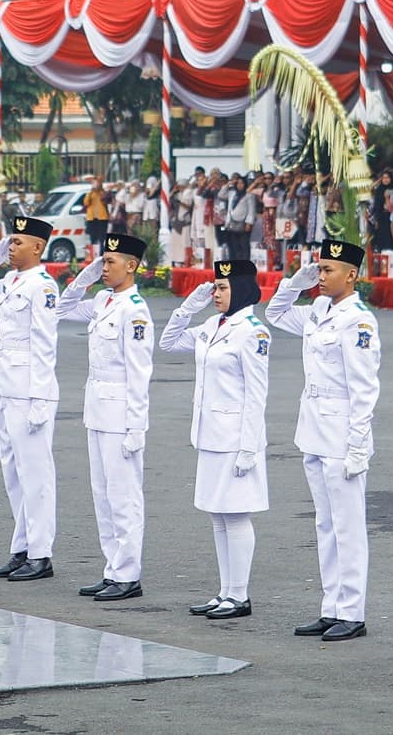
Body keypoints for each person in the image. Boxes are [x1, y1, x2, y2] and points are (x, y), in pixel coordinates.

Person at [267, 238, 380, 642]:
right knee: (325, 524)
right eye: (319, 267)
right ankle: (331, 606)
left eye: (328, 269)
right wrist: (297, 281)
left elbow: (365, 388)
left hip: (341, 430)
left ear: (351, 275)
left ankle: (352, 611)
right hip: (313, 428)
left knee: (348, 526)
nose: (321, 275)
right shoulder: (317, 308)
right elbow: (275, 313)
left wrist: (357, 444)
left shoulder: (358, 321)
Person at [161, 259, 271, 622]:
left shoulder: (253, 332)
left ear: (240, 289)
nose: (216, 294)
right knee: (217, 517)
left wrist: (249, 448)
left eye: (222, 288)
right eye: (214, 287)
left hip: (235, 438)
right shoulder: (212, 325)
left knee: (236, 516)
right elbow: (169, 342)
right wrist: (189, 305)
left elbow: (257, 394)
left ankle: (240, 596)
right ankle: (225, 591)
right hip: (209, 435)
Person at [58, 233, 155, 602]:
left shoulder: (135, 310)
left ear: (131, 266)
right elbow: (63, 308)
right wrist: (85, 276)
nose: (104, 267)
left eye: (111, 261)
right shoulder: (101, 300)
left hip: (120, 413)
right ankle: (112, 568)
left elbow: (139, 371)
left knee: (123, 496)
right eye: (103, 260)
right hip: (96, 408)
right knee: (102, 495)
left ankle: (129, 574)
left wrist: (136, 425)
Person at [0, 215, 61, 581]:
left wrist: (38, 398)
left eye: (17, 242)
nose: (11, 247)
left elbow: (44, 343)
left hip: (30, 391)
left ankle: (41, 553)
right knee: (14, 474)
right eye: (9, 241)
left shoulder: (43, 286)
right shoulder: (9, 281)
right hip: (6, 388)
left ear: (37, 247)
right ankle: (21, 547)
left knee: (36, 474)